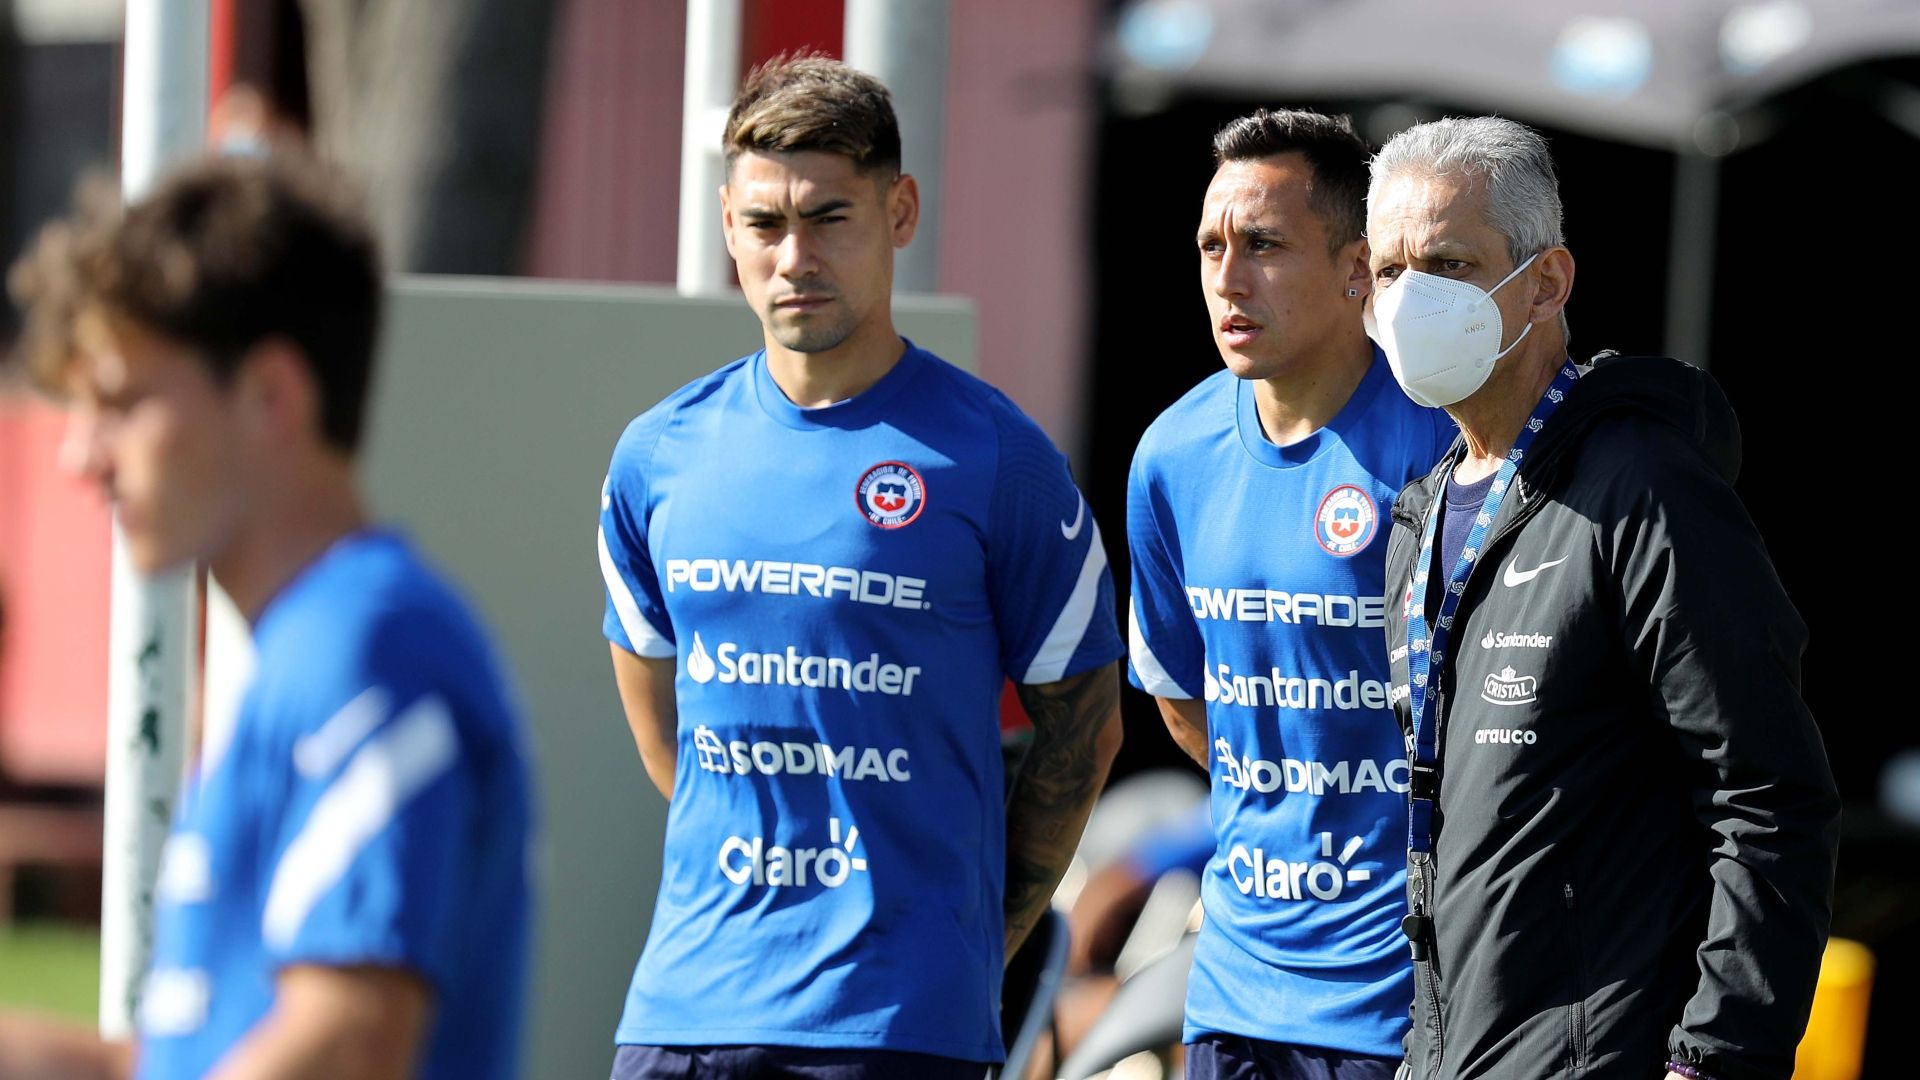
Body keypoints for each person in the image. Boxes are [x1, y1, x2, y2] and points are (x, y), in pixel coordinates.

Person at [596, 54, 1125, 1079]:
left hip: (895, 1028)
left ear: (900, 211)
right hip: (683, 1013)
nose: (794, 255)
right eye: (764, 224)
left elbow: (1086, 729)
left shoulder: (997, 458)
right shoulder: (657, 454)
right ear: (728, 229)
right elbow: (665, 723)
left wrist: (979, 939)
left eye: (829, 217)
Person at [0, 153, 533, 1080]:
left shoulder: (366, 645)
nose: (82, 456)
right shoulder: (302, 651)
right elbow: (185, 1060)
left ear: (270, 396)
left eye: (122, 403)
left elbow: (350, 1041)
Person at [1366, 115, 1840, 1080]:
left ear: (1546, 283)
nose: (1413, 297)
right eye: (1388, 270)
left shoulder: (1648, 489)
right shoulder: (1420, 517)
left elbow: (1768, 796)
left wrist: (1717, 1059)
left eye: (1449, 264)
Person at [1125, 108, 1456, 1079]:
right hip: (1233, 989)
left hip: (1404, 1005)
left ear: (1359, 269)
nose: (1228, 277)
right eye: (1211, 246)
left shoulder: (1444, 445)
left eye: (1263, 245)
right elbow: (1187, 700)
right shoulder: (1171, 457)